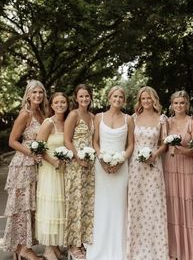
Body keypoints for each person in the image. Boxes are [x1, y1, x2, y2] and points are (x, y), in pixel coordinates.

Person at [86, 85, 134, 260]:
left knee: (119, 206)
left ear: (124, 100)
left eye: (121, 97)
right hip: (101, 167)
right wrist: (101, 159)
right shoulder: (98, 117)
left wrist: (122, 160)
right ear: (109, 98)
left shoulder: (128, 119)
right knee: (102, 205)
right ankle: (100, 247)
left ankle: (119, 248)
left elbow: (131, 144)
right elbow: (95, 141)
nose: (118, 99)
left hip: (121, 168)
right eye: (115, 96)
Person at [3, 80, 48, 260]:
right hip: (23, 165)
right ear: (28, 95)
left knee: (33, 207)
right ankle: (22, 248)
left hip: (38, 165)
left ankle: (22, 247)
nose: (37, 96)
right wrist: (31, 153)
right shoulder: (25, 114)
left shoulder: (42, 114)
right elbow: (12, 141)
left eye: (40, 93)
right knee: (22, 207)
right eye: (34, 93)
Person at [126, 86, 169, 260]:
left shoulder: (162, 119)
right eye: (143, 98)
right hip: (135, 167)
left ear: (154, 99)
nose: (146, 101)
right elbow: (129, 142)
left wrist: (154, 155)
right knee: (136, 204)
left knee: (153, 205)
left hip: (153, 167)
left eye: (149, 98)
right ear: (140, 100)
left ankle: (156, 250)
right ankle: (134, 249)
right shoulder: (133, 119)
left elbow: (164, 144)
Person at [164, 90, 193, 260]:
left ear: (187, 104)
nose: (179, 106)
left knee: (186, 207)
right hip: (169, 167)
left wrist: (182, 150)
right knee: (171, 206)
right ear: (172, 104)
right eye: (176, 103)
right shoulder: (166, 121)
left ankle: (187, 253)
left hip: (187, 168)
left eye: (182, 103)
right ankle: (172, 252)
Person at [35, 92, 70, 260]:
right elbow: (37, 146)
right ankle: (48, 249)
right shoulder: (48, 123)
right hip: (49, 170)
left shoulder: (68, 121)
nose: (60, 105)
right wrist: (53, 161)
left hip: (64, 170)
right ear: (52, 105)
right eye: (57, 102)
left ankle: (55, 246)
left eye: (63, 102)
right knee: (50, 207)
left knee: (60, 208)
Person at [64, 84, 95, 260]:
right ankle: (73, 246)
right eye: (81, 96)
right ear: (76, 98)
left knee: (87, 205)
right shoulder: (73, 115)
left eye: (87, 96)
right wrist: (78, 158)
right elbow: (67, 141)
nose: (84, 99)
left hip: (90, 166)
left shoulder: (92, 116)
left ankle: (83, 241)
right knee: (75, 203)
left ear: (90, 97)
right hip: (76, 166)